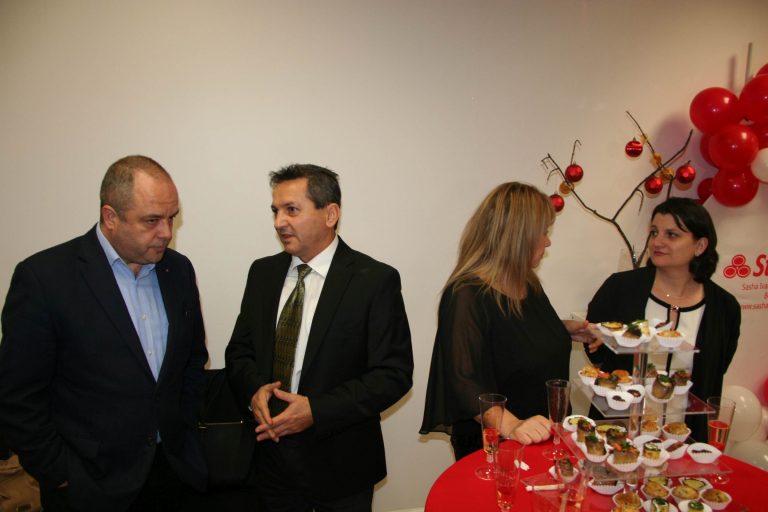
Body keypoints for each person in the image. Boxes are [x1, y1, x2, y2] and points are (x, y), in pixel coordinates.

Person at [0, 156, 209, 511]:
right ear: (110, 217)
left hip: (172, 474)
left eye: (171, 218)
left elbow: (191, 362)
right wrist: (60, 473)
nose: (166, 233)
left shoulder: (178, 270)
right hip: (88, 485)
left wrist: (184, 432)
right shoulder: (45, 278)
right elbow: (17, 396)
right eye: (152, 220)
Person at [225, 164, 413, 511]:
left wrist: (317, 410)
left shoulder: (374, 280)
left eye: (291, 210)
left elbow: (393, 374)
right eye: (276, 210)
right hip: (269, 460)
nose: (279, 222)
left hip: (342, 463)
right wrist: (254, 391)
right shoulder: (262, 273)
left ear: (330, 214)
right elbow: (239, 351)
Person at [420, 182, 593, 460]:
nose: (547, 242)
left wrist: (561, 329)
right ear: (519, 237)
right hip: (496, 443)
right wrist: (512, 425)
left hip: (545, 434)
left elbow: (511, 337)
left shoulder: (528, 283)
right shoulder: (466, 294)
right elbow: (463, 380)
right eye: (544, 232)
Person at [586, 197, 740, 441]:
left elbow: (715, 369)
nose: (657, 242)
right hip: (618, 437)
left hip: (685, 440)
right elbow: (595, 352)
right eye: (654, 232)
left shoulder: (724, 307)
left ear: (700, 246)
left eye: (672, 235)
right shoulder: (620, 288)